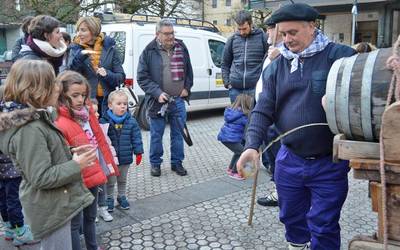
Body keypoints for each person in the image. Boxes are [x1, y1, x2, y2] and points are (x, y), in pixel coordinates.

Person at [236, 4, 356, 250]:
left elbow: (367, 79)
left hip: (328, 162)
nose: (287, 40)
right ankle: (297, 245)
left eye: (293, 33)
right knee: (290, 216)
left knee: (324, 224)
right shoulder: (277, 67)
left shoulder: (339, 56)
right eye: (283, 34)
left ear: (312, 26)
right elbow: (262, 110)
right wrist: (251, 146)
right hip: (289, 159)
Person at [0, 59, 96, 249]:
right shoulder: (30, 129)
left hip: (55, 203)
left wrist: (69, 153)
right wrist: (76, 165)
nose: (58, 87)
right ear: (37, 90)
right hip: (50, 208)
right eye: (52, 82)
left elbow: (43, 155)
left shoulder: (36, 119)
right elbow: (41, 176)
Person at [54, 70, 118, 250]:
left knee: (90, 217)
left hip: (93, 173)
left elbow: (99, 139)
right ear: (62, 94)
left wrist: (108, 164)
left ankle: (93, 246)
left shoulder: (87, 112)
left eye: (83, 95)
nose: (80, 99)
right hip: (75, 178)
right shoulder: (59, 121)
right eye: (75, 95)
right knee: (75, 224)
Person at [137, 19, 193, 177]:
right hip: (157, 102)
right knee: (156, 134)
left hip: (178, 101)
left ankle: (177, 163)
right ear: (157, 34)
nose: (170, 37)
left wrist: (187, 88)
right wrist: (157, 92)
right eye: (167, 34)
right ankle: (155, 164)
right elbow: (142, 77)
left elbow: (189, 71)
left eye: (172, 33)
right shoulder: (149, 51)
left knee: (178, 134)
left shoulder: (181, 47)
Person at [68, 16, 125, 115]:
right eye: (78, 30)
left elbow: (121, 77)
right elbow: (69, 75)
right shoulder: (74, 50)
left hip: (108, 102)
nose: (79, 34)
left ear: (93, 31)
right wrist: (81, 56)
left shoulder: (110, 49)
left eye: (83, 30)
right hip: (85, 102)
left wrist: (107, 74)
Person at [255, 16, 283, 208]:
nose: (268, 32)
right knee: (271, 156)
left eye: (271, 28)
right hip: (265, 113)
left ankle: (281, 193)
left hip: (276, 116)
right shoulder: (272, 51)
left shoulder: (284, 53)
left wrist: (278, 57)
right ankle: (279, 190)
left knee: (278, 157)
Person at [100, 89, 143, 212]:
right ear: (110, 105)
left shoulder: (131, 121)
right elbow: (101, 140)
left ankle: (121, 196)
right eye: (119, 104)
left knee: (122, 179)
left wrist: (138, 151)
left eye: (125, 104)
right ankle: (109, 198)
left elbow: (136, 137)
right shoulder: (104, 121)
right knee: (110, 181)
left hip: (125, 157)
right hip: (110, 159)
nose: (123, 106)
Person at [221, 10, 268, 103]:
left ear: (251, 24)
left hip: (254, 88)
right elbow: (225, 63)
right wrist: (227, 83)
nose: (242, 32)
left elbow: (269, 61)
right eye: (239, 29)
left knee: (254, 117)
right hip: (235, 89)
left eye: (244, 29)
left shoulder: (262, 37)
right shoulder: (232, 39)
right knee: (236, 117)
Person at [92, 99, 117, 222]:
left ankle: (103, 209)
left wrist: (113, 160)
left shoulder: (101, 126)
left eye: (97, 111)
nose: (97, 114)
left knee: (102, 189)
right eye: (94, 112)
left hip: (101, 165)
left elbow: (108, 145)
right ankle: (93, 211)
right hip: (91, 167)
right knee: (92, 191)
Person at [217, 94, 252, 180]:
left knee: (238, 152)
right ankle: (235, 172)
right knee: (243, 153)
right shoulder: (243, 116)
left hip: (225, 137)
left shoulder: (231, 112)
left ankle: (230, 169)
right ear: (246, 104)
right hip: (231, 139)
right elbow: (248, 128)